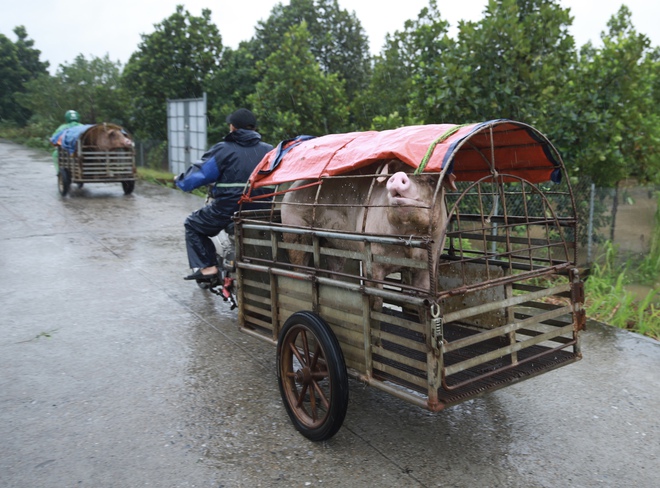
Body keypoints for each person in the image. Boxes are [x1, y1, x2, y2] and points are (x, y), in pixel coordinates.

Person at [175, 108, 274, 282]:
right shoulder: (269, 151)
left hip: (230, 207)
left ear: (233, 128)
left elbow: (200, 174)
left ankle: (209, 268)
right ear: (253, 129)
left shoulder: (223, 149)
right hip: (263, 207)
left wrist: (181, 181)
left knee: (193, 225)